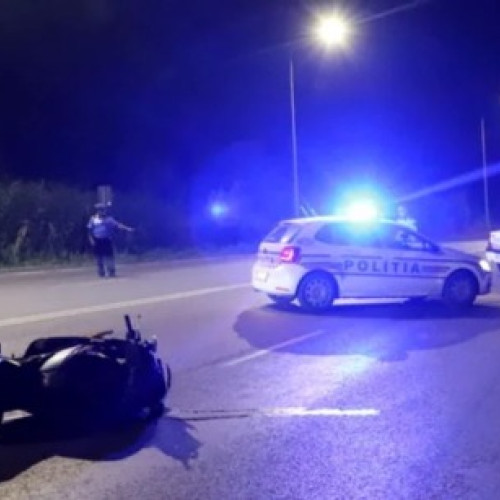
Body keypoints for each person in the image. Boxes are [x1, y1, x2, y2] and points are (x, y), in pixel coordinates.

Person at [87, 203, 134, 277]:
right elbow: (89, 230)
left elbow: (118, 225)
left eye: (102, 210)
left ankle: (111, 271)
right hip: (97, 240)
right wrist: (91, 239)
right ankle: (101, 272)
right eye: (99, 210)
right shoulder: (93, 219)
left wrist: (127, 228)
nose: (101, 211)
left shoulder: (109, 219)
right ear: (97, 211)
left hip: (106, 239)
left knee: (109, 256)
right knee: (99, 257)